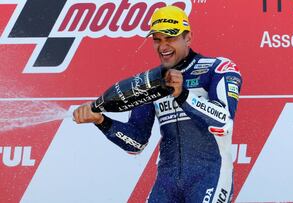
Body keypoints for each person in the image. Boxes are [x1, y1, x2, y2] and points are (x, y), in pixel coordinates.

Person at [73, 5, 242, 203]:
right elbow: (136, 143)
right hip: (167, 180)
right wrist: (101, 121)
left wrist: (183, 95)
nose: (163, 46)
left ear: (188, 37)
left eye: (170, 38)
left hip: (210, 174)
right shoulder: (150, 82)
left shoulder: (218, 68)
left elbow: (223, 122)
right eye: (157, 40)